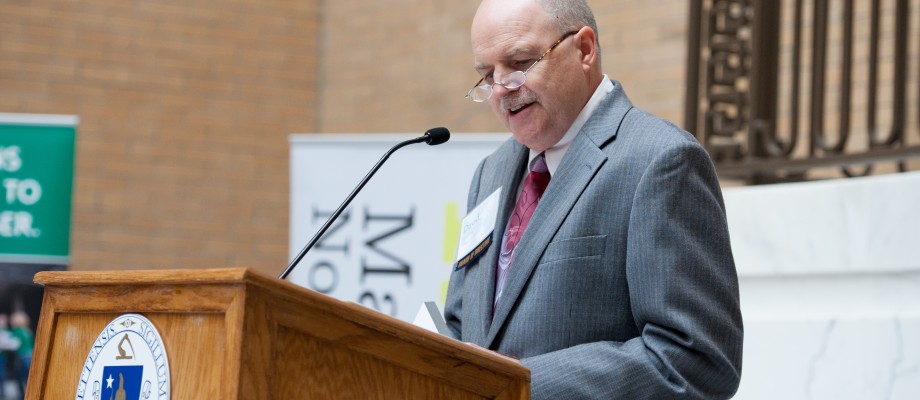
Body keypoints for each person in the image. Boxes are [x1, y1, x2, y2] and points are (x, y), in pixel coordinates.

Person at [444, 0, 744, 398]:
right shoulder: (491, 172)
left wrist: (521, 385)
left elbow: (696, 360)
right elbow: (462, 323)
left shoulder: (661, 160)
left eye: (520, 63)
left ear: (584, 50)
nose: (501, 89)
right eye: (487, 74)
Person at [9, 312, 32, 399]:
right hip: (30, 356)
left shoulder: (17, 331)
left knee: (19, 378)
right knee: (28, 378)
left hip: (22, 357)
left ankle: (23, 396)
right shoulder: (28, 331)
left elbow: (13, 344)